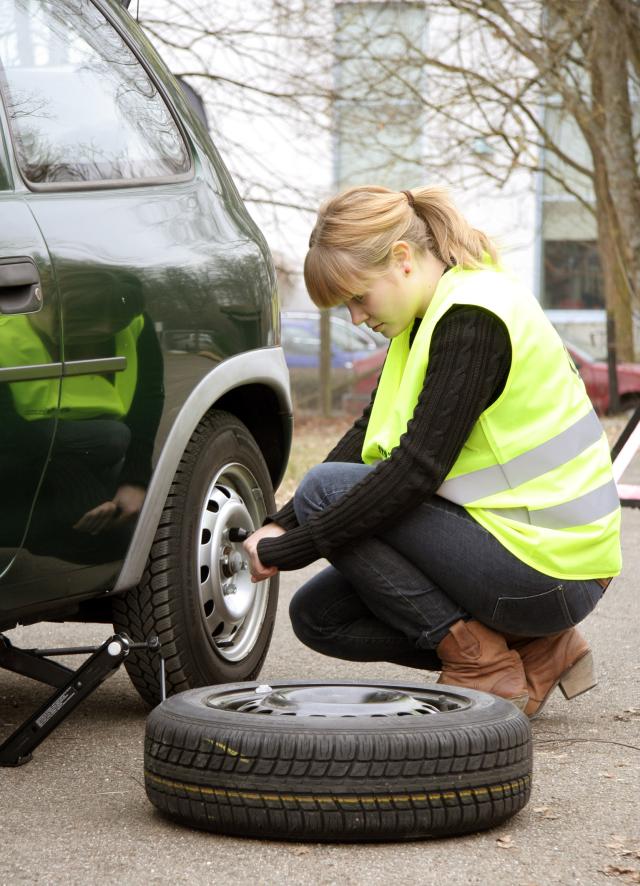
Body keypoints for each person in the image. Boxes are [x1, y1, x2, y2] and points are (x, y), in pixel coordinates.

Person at [243, 185, 621, 718]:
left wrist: (292, 549)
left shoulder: (473, 320)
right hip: (516, 550)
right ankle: (535, 649)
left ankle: (483, 662)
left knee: (324, 489)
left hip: (551, 570)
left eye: (358, 298)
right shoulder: (426, 317)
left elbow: (412, 474)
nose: (355, 318)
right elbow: (367, 433)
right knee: (319, 616)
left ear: (401, 260)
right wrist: (283, 524)